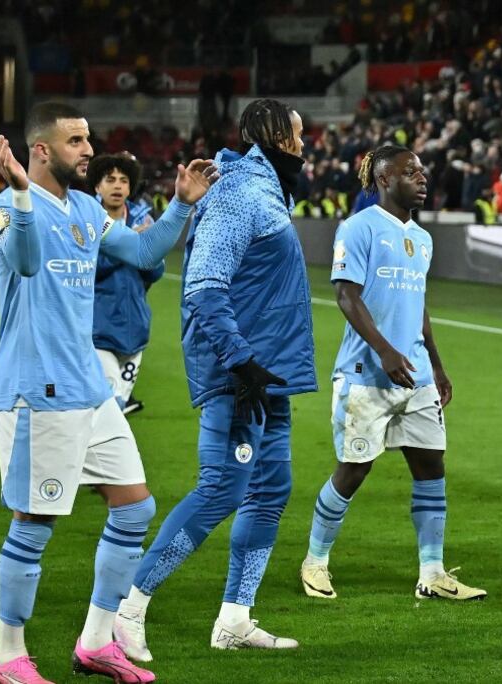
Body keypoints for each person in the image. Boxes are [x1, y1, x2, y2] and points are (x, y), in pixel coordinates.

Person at [0, 101, 213, 684]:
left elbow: (142, 252)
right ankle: (10, 656)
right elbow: (27, 265)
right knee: (34, 522)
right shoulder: (6, 210)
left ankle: (94, 642)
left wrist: (182, 205)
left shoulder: (87, 208)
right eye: (76, 141)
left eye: (88, 139)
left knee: (135, 507)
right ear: (41, 150)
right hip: (36, 390)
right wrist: (21, 192)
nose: (89, 150)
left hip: (89, 386)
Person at [116, 99, 316, 658]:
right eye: (298, 135)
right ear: (277, 136)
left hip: (267, 375)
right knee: (221, 488)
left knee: (270, 490)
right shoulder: (239, 192)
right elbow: (204, 286)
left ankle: (234, 619)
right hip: (240, 373)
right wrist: (241, 362)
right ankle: (127, 609)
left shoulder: (266, 191)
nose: (304, 146)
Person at [298, 143, 488, 603]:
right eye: (411, 172)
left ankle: (432, 573)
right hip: (366, 374)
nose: (423, 178)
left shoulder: (422, 238)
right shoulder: (358, 227)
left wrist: (436, 365)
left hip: (416, 376)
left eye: (422, 171)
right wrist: (383, 350)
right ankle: (315, 562)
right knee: (354, 470)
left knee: (431, 468)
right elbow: (346, 295)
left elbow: (418, 305)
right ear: (384, 179)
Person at [89, 153, 161, 415]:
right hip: (98, 330)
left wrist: (150, 249)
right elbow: (89, 270)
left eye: (123, 180)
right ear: (97, 187)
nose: (117, 186)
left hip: (136, 330)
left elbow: (155, 273)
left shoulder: (143, 219)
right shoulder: (87, 221)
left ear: (130, 188)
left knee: (114, 412)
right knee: (112, 406)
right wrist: (129, 243)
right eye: (110, 180)